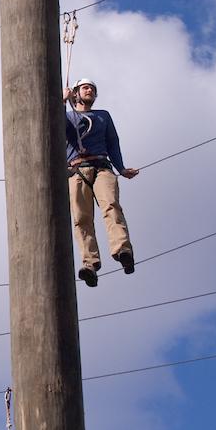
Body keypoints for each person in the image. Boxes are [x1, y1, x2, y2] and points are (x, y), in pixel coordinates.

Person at [64, 78, 139, 287]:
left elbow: (113, 142)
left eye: (92, 89)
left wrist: (121, 168)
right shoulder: (68, 116)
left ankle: (123, 250)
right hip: (76, 170)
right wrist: (61, 102)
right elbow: (55, 128)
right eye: (85, 88)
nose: (89, 90)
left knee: (111, 206)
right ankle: (90, 264)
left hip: (102, 167)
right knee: (81, 218)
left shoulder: (103, 116)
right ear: (76, 94)